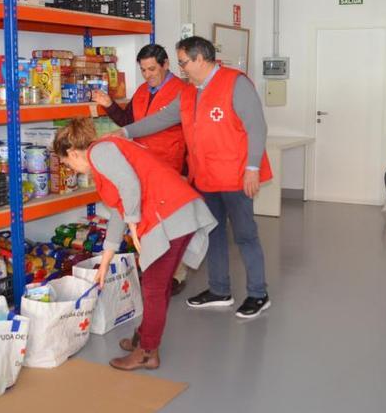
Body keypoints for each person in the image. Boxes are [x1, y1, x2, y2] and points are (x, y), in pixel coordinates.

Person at [118, 36, 273, 319]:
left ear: (200, 58)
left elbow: (257, 127)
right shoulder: (190, 92)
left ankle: (258, 294)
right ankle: (219, 290)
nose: (182, 69)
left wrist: (252, 168)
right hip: (206, 177)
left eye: (184, 63)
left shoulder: (235, 83)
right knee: (212, 232)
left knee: (244, 235)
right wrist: (126, 132)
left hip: (237, 177)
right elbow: (162, 119)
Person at [54, 118, 217, 370]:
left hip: (172, 214)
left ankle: (147, 352)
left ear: (73, 152)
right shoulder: (103, 160)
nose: (70, 169)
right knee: (157, 284)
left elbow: (131, 187)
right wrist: (105, 261)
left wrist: (134, 227)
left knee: (153, 286)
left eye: (67, 163)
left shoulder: (100, 152)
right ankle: (144, 337)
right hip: (173, 211)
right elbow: (120, 209)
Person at [92, 43, 191, 295]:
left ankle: (176, 275)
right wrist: (109, 105)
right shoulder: (142, 92)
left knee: (170, 225)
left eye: (152, 69)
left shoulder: (182, 91)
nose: (148, 75)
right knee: (148, 224)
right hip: (141, 166)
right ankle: (154, 272)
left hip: (170, 166)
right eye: (143, 70)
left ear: (165, 65)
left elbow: (188, 131)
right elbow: (129, 122)